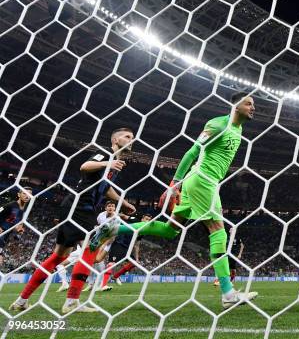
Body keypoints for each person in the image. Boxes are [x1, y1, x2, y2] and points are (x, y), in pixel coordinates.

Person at [90, 93, 257, 309]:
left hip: (199, 181)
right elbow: (192, 152)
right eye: (249, 103)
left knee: (171, 230)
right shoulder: (217, 124)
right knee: (218, 231)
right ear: (236, 105)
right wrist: (174, 185)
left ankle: (115, 228)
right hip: (202, 181)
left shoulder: (238, 129)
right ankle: (228, 293)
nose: (253, 108)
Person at [9, 128, 136, 314]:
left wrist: (124, 203)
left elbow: (105, 188)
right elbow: (85, 166)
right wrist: (108, 162)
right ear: (115, 139)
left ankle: (21, 300)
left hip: (76, 206)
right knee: (90, 249)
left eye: (132, 138)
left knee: (59, 256)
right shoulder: (106, 153)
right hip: (81, 207)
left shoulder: (115, 163)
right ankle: (71, 302)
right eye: (127, 137)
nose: (131, 140)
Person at [0, 187, 31, 267]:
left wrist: (20, 229)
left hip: (4, 237)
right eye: (24, 193)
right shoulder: (11, 205)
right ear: (19, 194)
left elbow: (16, 225)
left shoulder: (24, 210)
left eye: (29, 194)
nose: (27, 196)